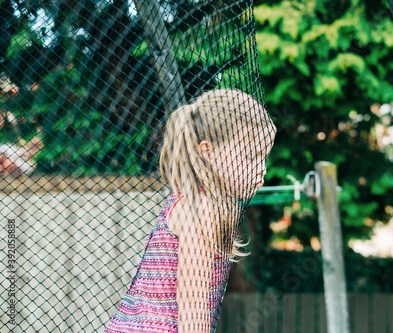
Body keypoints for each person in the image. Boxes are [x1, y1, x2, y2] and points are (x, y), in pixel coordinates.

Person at [105, 89, 276, 333]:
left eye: (264, 158)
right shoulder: (203, 210)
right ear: (207, 151)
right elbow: (192, 310)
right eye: (251, 157)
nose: (262, 169)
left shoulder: (188, 199)